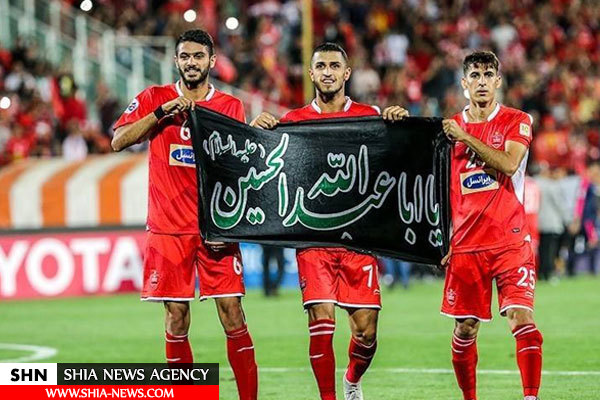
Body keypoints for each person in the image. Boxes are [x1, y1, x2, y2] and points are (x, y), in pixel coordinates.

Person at [250, 42, 408, 400]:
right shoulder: (292, 122)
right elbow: (261, 166)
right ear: (311, 73)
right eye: (320, 66)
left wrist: (398, 125)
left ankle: (352, 379)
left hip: (357, 239)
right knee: (321, 323)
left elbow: (396, 161)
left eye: (334, 66)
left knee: (366, 332)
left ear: (347, 73)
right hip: (314, 238)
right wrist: (257, 131)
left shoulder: (369, 117)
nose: (327, 72)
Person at [111, 29, 257, 400]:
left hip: (215, 230)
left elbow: (239, 170)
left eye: (198, 56)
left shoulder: (230, 106)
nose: (192, 63)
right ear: (176, 60)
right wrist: (161, 114)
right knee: (176, 317)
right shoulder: (154, 97)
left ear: (212, 61)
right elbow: (118, 140)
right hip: (168, 229)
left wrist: (232, 225)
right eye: (185, 56)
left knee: (232, 312)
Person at [440, 51, 543, 400]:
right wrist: (439, 239)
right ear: (464, 83)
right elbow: (436, 190)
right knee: (465, 329)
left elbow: (509, 164)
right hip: (466, 246)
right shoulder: (446, 131)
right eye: (475, 75)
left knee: (521, 317)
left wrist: (466, 137)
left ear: (498, 81)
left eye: (488, 75)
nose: (482, 81)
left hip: (510, 241)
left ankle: (530, 397)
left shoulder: (517, 120)